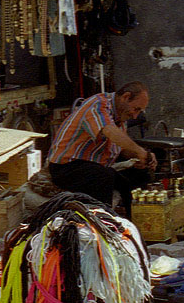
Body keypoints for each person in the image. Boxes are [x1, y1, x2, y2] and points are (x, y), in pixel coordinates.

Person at [46, 81, 157, 210]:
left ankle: (138, 219)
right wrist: (139, 152)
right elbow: (109, 131)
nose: (135, 115)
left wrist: (142, 157)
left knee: (140, 174)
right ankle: (102, 220)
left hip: (93, 165)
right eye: (136, 109)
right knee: (103, 176)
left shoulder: (120, 117)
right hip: (66, 167)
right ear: (126, 97)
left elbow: (121, 149)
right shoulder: (98, 104)